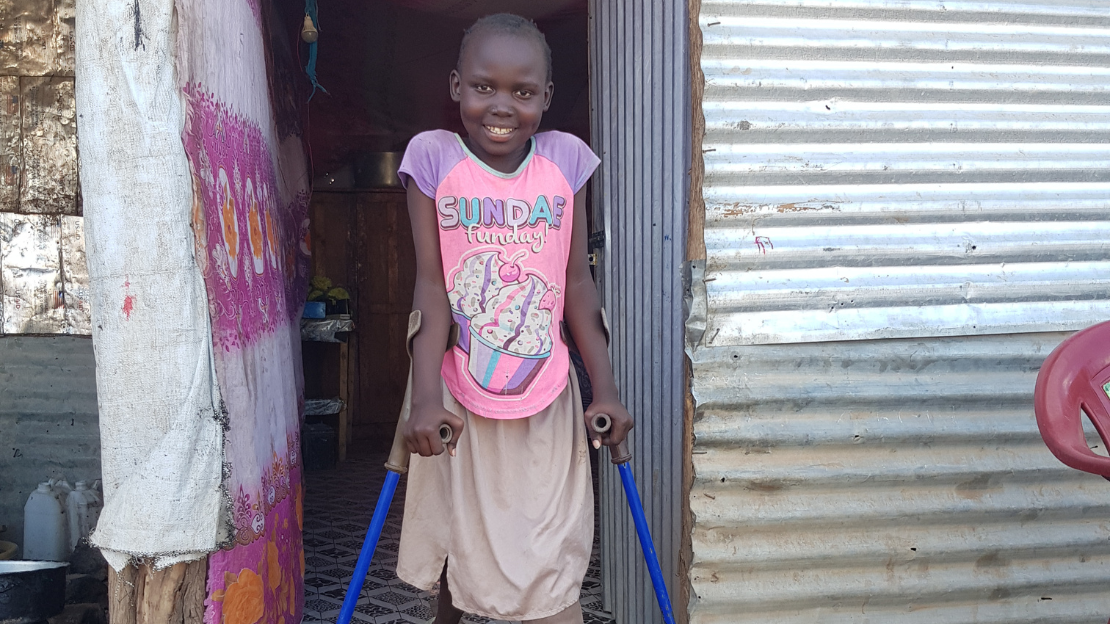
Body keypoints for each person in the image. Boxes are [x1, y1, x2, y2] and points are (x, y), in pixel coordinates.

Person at [394, 13, 634, 624]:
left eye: (523, 92)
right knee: (457, 539)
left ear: (546, 98)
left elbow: (577, 282)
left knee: (550, 551)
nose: (501, 106)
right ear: (456, 86)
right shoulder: (433, 159)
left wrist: (604, 388)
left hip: (546, 394)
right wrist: (424, 397)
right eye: (483, 87)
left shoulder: (564, 162)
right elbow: (431, 283)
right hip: (455, 395)